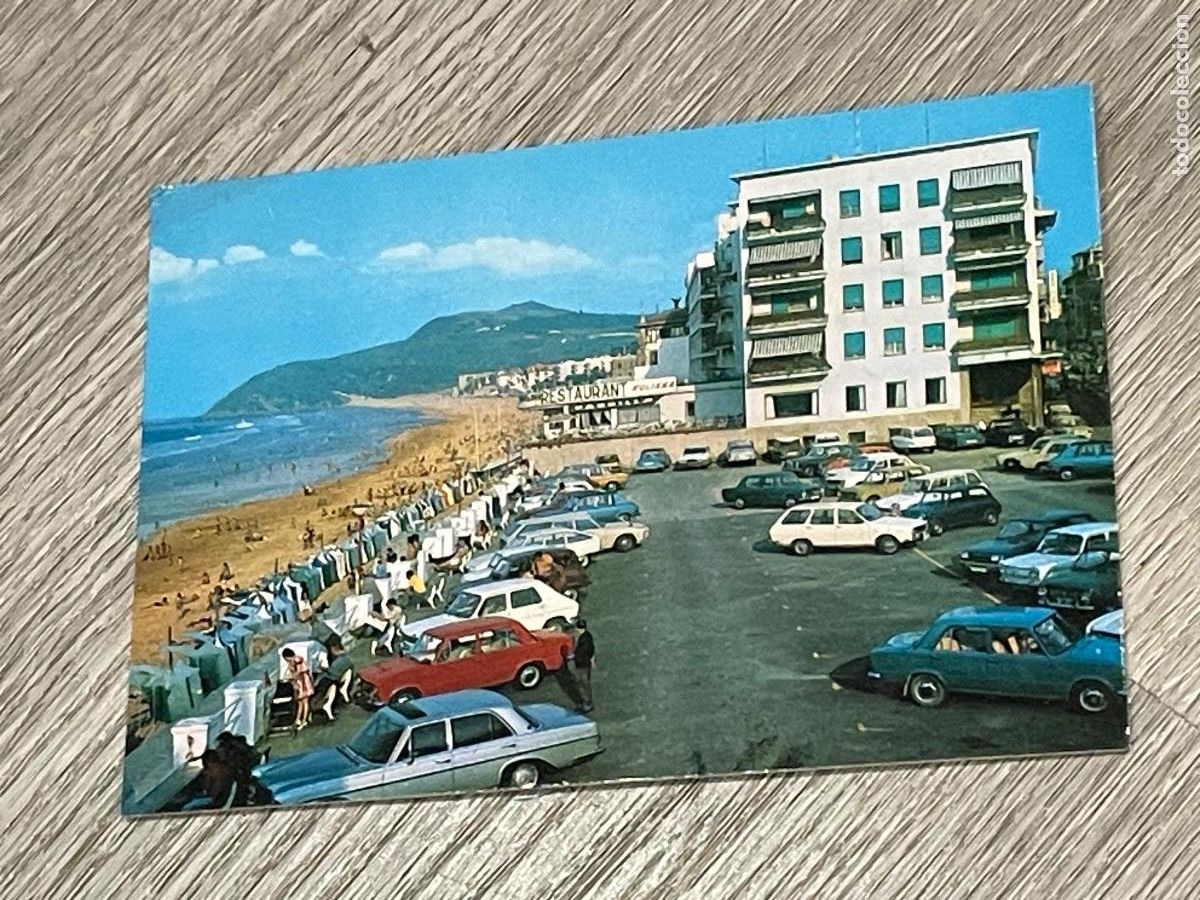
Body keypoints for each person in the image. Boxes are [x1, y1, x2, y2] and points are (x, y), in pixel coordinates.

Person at [281, 648, 314, 730]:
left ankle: (303, 721)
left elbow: (299, 672)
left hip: (303, 683)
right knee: (300, 702)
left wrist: (290, 677)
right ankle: (298, 719)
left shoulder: (297, 660)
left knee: (305, 702)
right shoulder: (294, 661)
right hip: (300, 683)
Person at [572, 619, 595, 713]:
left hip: (582, 665)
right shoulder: (587, 636)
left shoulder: (584, 639)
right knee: (583, 684)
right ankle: (586, 703)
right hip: (585, 664)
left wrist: (573, 656)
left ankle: (587, 704)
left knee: (583, 684)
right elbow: (592, 650)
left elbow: (582, 653)